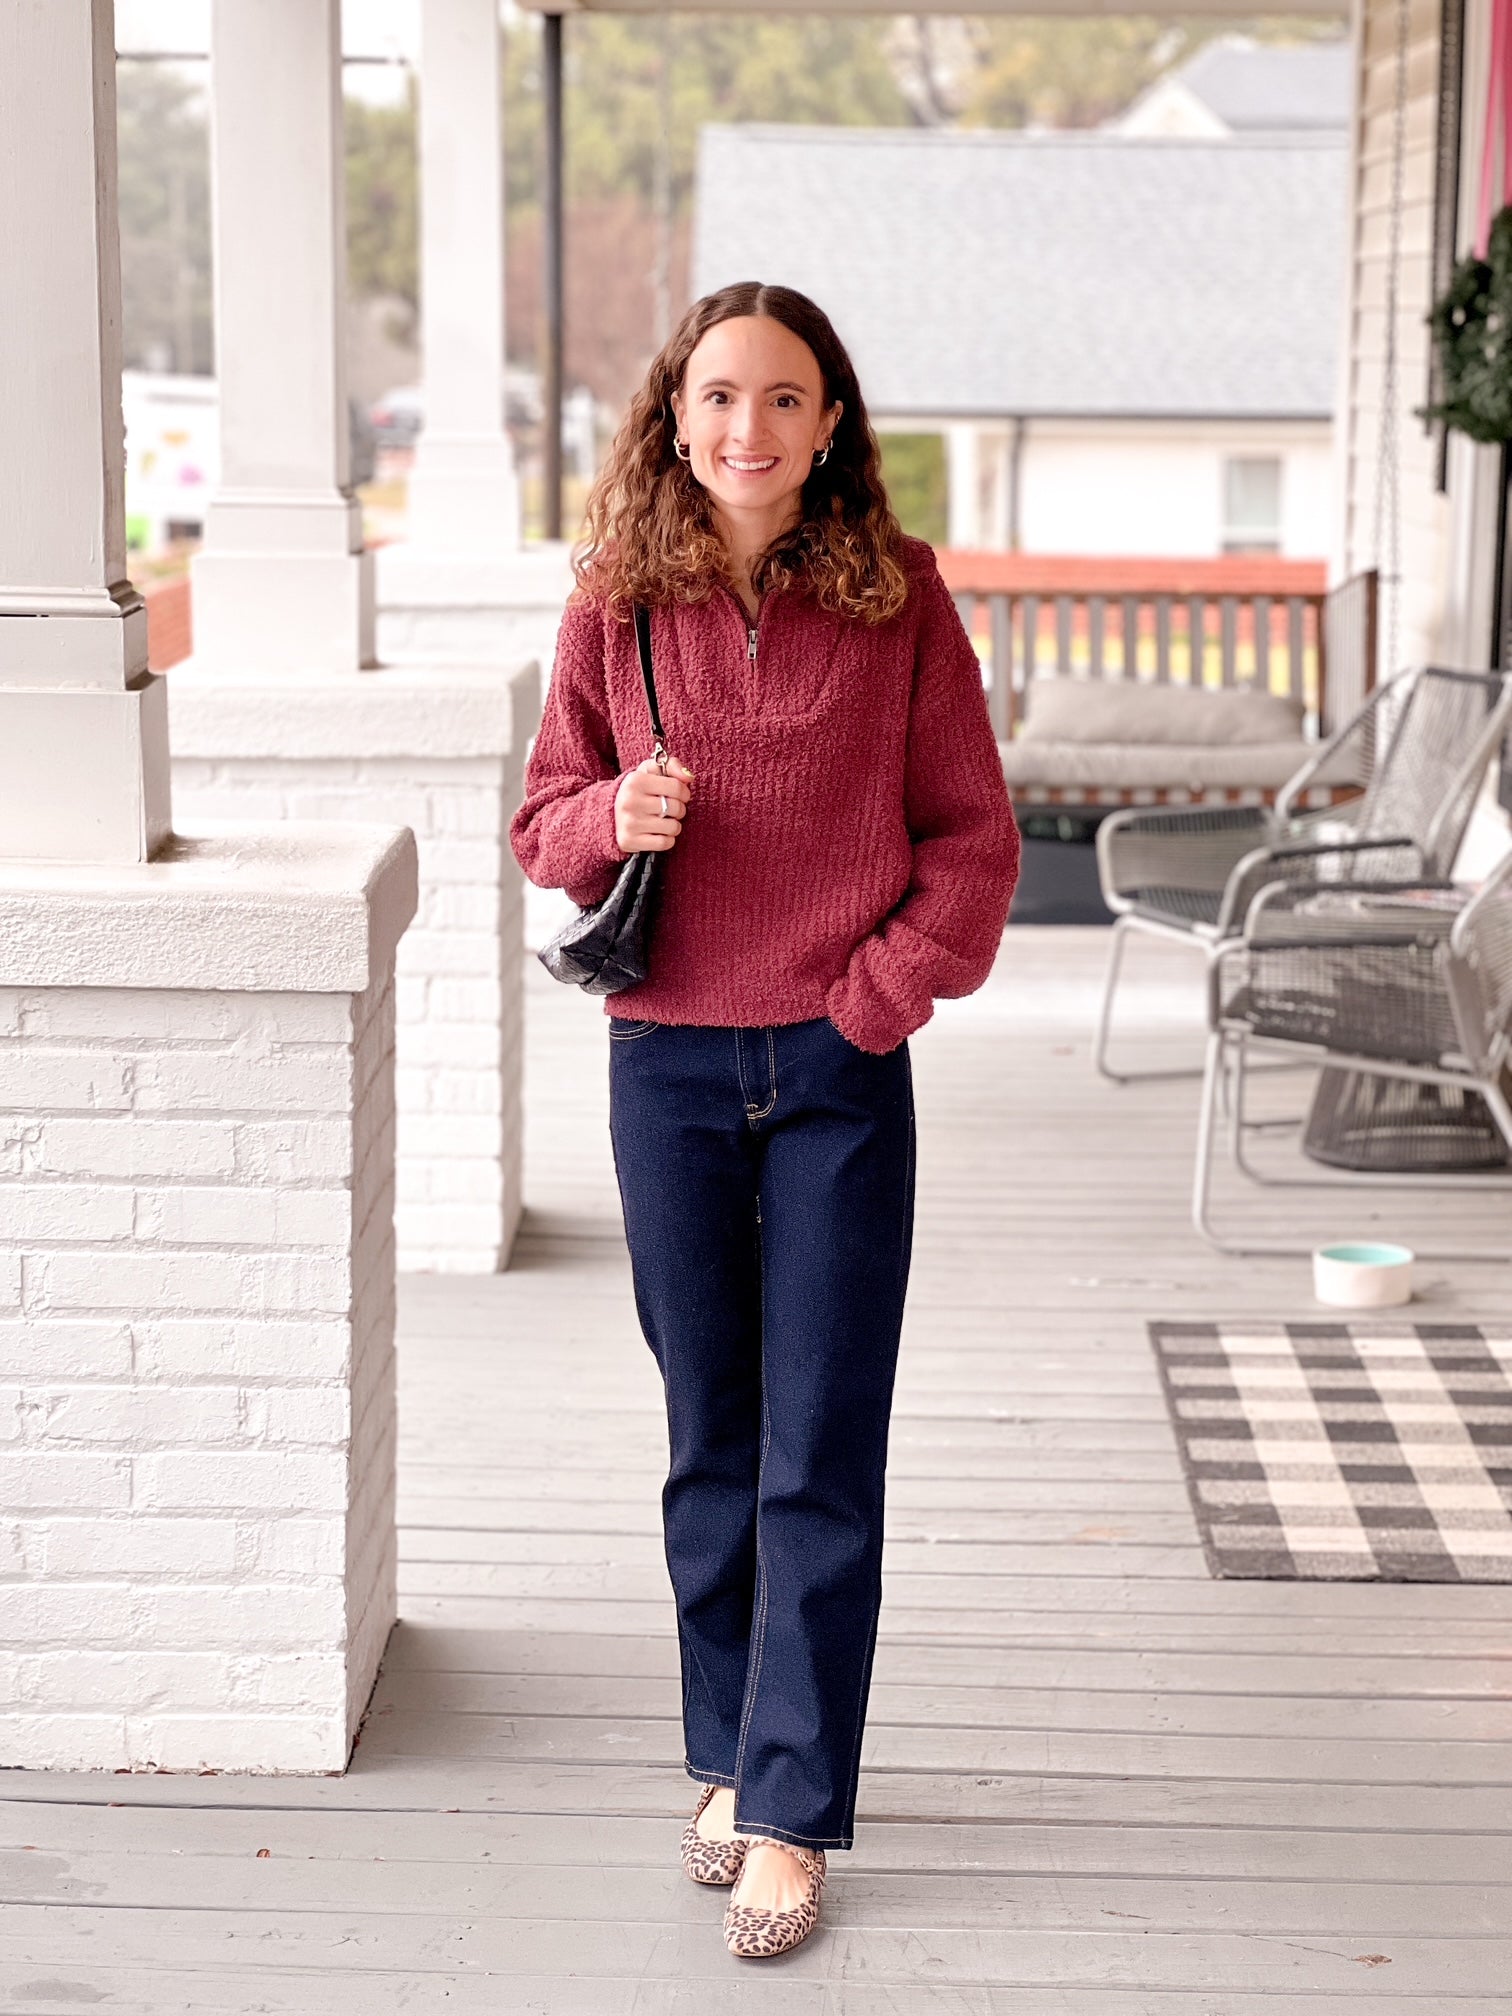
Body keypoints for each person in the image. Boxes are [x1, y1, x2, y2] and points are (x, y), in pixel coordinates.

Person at [511, 281, 1018, 1959]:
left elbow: (973, 845)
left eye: (784, 399)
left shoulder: (903, 602)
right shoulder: (612, 607)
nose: (750, 428)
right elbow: (540, 829)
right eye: (719, 396)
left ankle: (793, 1807)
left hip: (837, 1074)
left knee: (821, 1443)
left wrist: (870, 1001)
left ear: (830, 424)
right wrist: (610, 809)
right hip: (662, 1066)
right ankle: (734, 1753)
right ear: (675, 415)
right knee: (709, 1436)